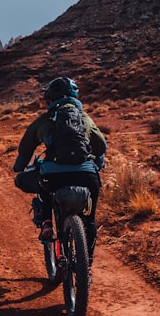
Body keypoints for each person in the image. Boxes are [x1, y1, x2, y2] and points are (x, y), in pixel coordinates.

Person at [12, 76, 107, 260]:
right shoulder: (85, 118)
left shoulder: (45, 119)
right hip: (86, 175)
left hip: (54, 175)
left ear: (51, 99)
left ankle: (47, 223)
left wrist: (19, 167)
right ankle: (86, 267)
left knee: (44, 185)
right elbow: (101, 145)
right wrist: (98, 164)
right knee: (90, 221)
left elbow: (26, 147)